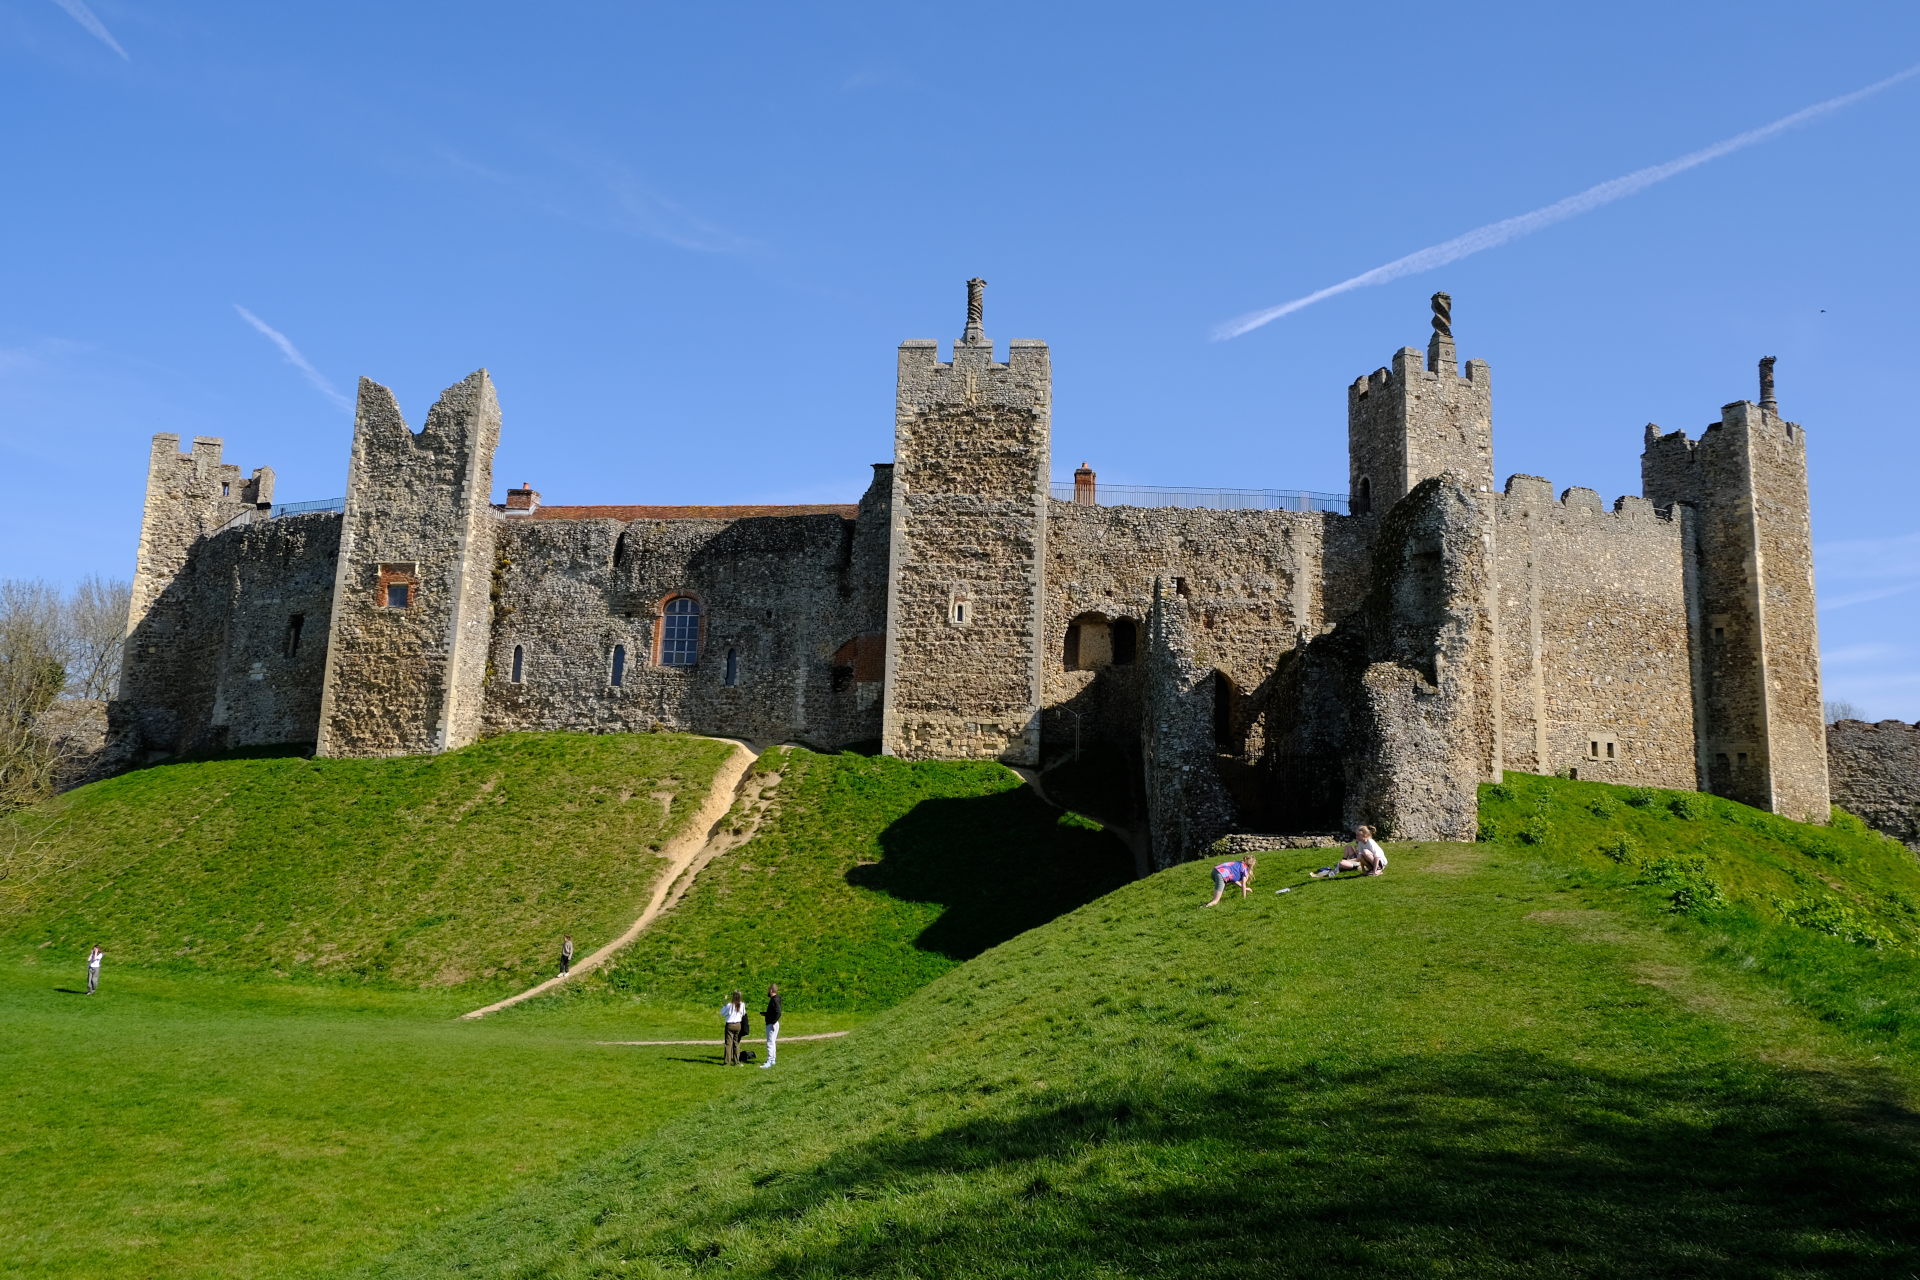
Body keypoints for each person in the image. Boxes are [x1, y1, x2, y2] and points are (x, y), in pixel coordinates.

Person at [1313, 825, 1387, 878]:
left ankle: (1378, 870)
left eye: (1358, 835)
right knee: (1361, 854)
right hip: (1371, 862)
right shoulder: (1361, 843)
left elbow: (1377, 857)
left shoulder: (1370, 842)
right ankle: (1371, 869)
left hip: (1380, 862)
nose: (1356, 837)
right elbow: (1359, 858)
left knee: (1365, 851)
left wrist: (1375, 871)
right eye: (1356, 835)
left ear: (1365, 835)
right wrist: (1363, 870)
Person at [721, 990, 747, 1065]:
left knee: (728, 1044)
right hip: (738, 1025)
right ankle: (736, 1061)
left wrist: (724, 1002)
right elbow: (743, 1013)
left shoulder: (730, 1005)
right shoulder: (742, 1004)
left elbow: (722, 1013)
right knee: (736, 1043)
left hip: (730, 1025)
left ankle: (727, 1061)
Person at [761, 984, 782, 1069]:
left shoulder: (774, 1000)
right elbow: (775, 1011)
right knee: (772, 1042)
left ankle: (769, 1061)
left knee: (770, 1042)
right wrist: (766, 1014)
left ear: (771, 990)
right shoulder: (777, 998)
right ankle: (773, 1060)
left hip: (772, 1024)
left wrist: (773, 1021)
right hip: (774, 1023)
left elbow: (778, 1012)